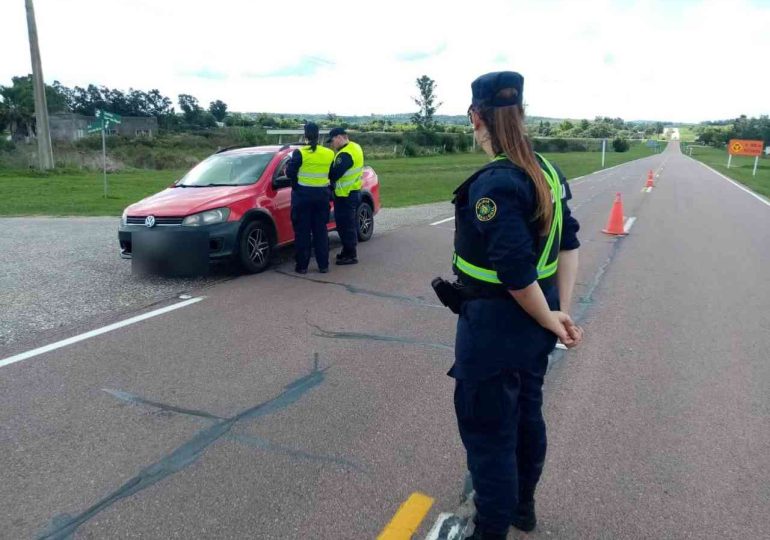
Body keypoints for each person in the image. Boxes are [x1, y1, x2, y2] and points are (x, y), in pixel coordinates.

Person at [449, 71, 584, 540]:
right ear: (521, 114)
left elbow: (514, 270)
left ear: (476, 118)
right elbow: (569, 244)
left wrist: (552, 317)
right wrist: (559, 313)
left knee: (490, 438)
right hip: (535, 328)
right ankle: (522, 509)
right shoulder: (547, 171)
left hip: (495, 332)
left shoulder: (497, 183)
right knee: (526, 416)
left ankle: (490, 529)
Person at [286, 122, 335, 274]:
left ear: (305, 134)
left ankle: (302, 266)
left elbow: (290, 173)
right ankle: (323, 266)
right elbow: (331, 174)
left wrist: (295, 185)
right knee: (321, 231)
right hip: (321, 196)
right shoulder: (329, 153)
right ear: (319, 134)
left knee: (303, 232)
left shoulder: (300, 153)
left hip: (303, 196)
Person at [326, 127, 364, 265]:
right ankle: (347, 251)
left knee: (345, 226)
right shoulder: (355, 147)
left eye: (333, 141)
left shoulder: (345, 154)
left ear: (340, 137)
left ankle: (351, 255)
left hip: (345, 195)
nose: (332, 144)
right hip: (352, 192)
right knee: (347, 224)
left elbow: (335, 174)